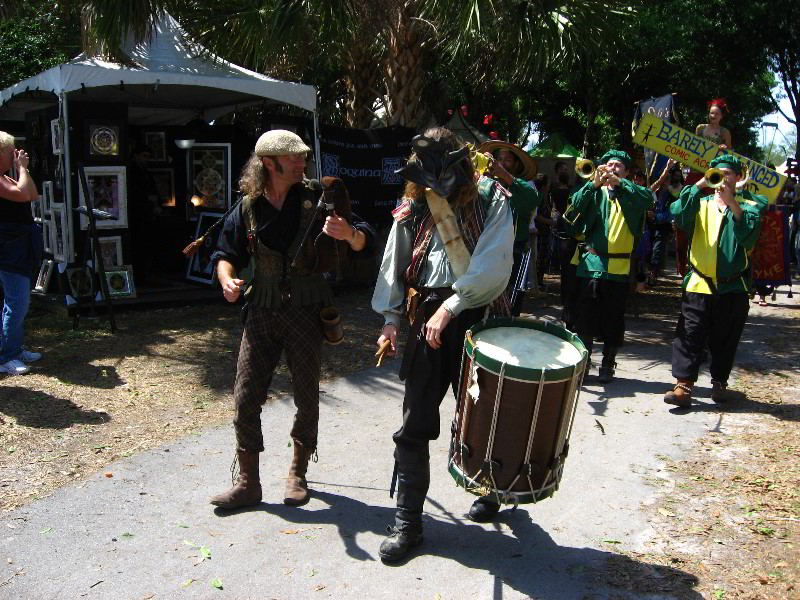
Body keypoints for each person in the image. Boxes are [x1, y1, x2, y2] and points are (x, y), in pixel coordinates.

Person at [372, 127, 513, 561]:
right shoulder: (413, 202)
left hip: (479, 314)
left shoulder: (493, 198)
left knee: (484, 415)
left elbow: (493, 263)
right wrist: (392, 318)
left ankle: (489, 492)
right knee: (414, 421)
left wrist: (452, 306)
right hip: (425, 316)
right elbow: (394, 260)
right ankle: (409, 522)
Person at [209, 130, 371, 509]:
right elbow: (224, 253)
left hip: (305, 309)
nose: (302, 164)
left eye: (303, 158)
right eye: (294, 159)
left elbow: (365, 238)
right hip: (261, 309)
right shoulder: (248, 206)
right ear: (269, 163)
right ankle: (248, 483)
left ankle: (297, 474)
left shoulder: (320, 198)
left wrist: (349, 234)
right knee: (245, 396)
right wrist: (227, 279)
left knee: (306, 394)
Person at [664, 154, 765, 408]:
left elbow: (748, 237)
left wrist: (733, 203)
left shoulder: (749, 206)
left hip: (733, 286)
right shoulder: (701, 202)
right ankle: (683, 385)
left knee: (725, 337)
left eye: (728, 173)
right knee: (689, 334)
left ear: (739, 178)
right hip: (699, 283)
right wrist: (699, 185)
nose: (722, 177)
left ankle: (719, 382)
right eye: (717, 172)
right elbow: (677, 212)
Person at [561, 150, 653, 383]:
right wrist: (593, 184)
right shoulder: (594, 192)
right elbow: (573, 209)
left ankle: (608, 363)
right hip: (591, 265)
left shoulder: (633, 194)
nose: (612, 168)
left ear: (627, 172)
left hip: (620, 269)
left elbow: (649, 199)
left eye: (618, 166)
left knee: (613, 319)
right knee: (585, 318)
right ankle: (584, 362)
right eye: (609, 164)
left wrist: (620, 184)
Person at [478, 140, 539, 316]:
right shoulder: (484, 184)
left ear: (516, 164)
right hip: (485, 251)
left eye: (508, 160)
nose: (502, 163)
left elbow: (532, 200)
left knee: (510, 304)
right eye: (498, 159)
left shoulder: (525, 186)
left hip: (514, 252)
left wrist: (503, 174)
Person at [0, 132, 40, 375]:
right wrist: (22, 168)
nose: (14, 154)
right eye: (10, 150)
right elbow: (22, 195)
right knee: (18, 302)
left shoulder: (5, 177)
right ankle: (8, 355)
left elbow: (32, 195)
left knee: (11, 302)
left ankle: (12, 347)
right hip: (8, 249)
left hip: (15, 245)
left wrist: (22, 170)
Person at [127, 143, 161, 284]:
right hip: (137, 216)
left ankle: (145, 274)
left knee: (147, 245)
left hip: (146, 216)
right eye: (144, 156)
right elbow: (134, 193)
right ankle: (140, 275)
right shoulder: (132, 172)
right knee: (139, 246)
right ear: (136, 156)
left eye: (148, 156)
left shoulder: (145, 172)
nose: (147, 159)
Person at [551, 161, 580, 329]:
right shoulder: (567, 191)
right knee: (569, 273)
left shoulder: (566, 190)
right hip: (568, 233)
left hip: (569, 232)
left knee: (569, 274)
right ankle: (569, 313)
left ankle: (570, 311)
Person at [647, 159, 682, 285]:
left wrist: (656, 217)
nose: (665, 181)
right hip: (647, 227)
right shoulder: (652, 191)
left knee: (657, 251)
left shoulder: (672, 195)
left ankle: (653, 275)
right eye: (663, 178)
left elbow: (671, 212)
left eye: (667, 179)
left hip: (661, 227)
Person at [532, 173, 557, 293]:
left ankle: (539, 282)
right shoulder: (539, 196)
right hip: (540, 232)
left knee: (543, 258)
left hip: (545, 232)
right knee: (540, 258)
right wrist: (550, 222)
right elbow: (537, 216)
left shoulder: (546, 196)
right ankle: (537, 283)